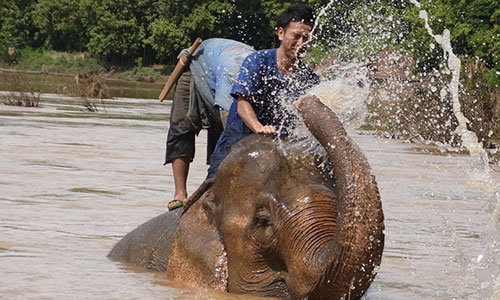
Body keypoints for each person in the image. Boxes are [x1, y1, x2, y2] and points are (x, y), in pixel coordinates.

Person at [206, 3, 320, 179]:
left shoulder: (309, 78)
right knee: (213, 191)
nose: (301, 44)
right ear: (280, 33)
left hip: (276, 153)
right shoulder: (257, 61)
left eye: (306, 39)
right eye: (296, 36)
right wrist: (258, 127)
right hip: (236, 145)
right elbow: (242, 104)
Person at [165, 38, 255, 210]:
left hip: (216, 67)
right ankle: (180, 193)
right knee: (182, 126)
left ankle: (216, 186)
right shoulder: (231, 76)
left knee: (221, 130)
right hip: (195, 66)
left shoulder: (258, 73)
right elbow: (231, 127)